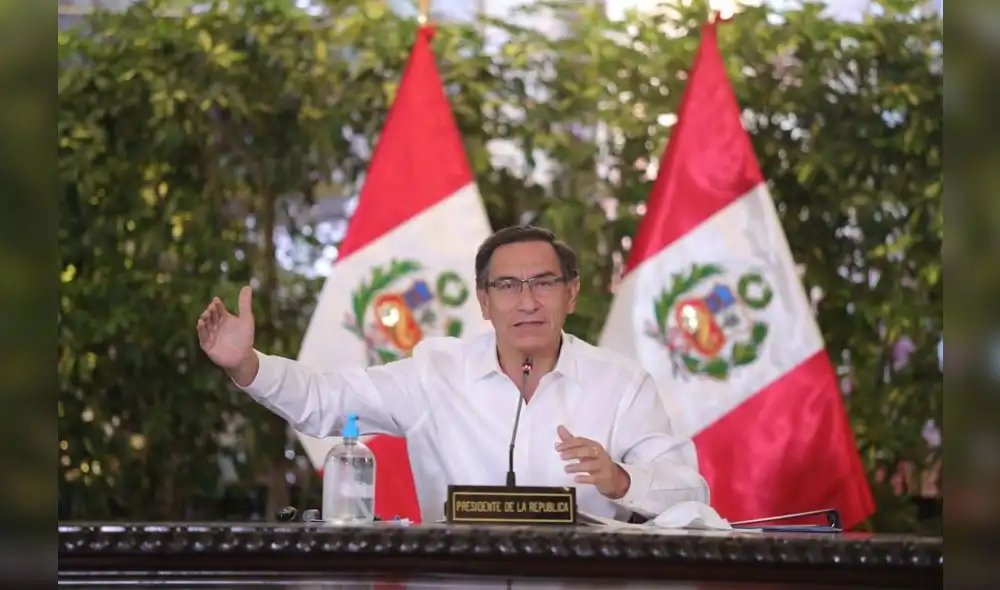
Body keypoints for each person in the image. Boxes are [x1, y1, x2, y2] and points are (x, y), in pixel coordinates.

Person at [197, 225, 708, 522]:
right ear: (483, 301)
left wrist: (622, 480)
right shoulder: (435, 373)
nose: (527, 301)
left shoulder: (621, 385)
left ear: (570, 293)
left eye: (543, 283)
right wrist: (247, 364)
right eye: (507, 286)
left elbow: (691, 494)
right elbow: (325, 400)